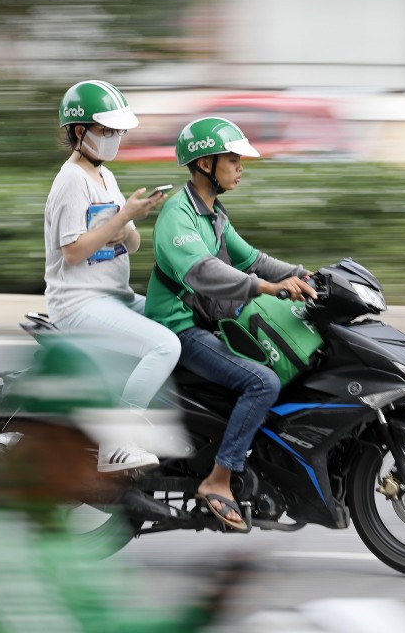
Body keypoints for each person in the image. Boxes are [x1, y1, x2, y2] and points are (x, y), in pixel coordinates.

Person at [0, 342, 236, 633]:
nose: (110, 471)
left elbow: (107, 624)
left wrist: (196, 616)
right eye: (93, 447)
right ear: (53, 440)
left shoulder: (56, 538)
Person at [145, 117, 317, 532]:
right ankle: (218, 479)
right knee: (262, 383)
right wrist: (268, 288)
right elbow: (203, 272)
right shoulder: (179, 214)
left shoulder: (213, 213)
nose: (240, 166)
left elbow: (251, 258)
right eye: (233, 158)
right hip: (180, 328)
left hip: (209, 322)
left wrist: (307, 275)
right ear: (205, 164)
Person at [44, 80, 180, 472]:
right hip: (79, 303)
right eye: (105, 131)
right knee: (164, 346)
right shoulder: (72, 180)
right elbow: (73, 251)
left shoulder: (106, 177)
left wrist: (130, 224)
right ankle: (117, 441)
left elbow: (130, 244)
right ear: (78, 131)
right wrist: (122, 217)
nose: (114, 139)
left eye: (117, 131)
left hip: (113, 295)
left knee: (183, 320)